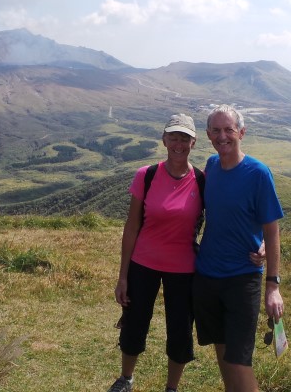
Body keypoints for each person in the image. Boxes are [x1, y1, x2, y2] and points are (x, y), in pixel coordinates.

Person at [107, 113, 203, 392]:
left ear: (193, 142)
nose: (178, 143)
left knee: (180, 331)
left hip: (184, 268)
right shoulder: (146, 175)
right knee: (134, 323)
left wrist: (256, 242)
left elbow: (225, 219)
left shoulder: (202, 180)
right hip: (143, 263)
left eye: (184, 138)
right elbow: (132, 226)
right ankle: (126, 378)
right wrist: (122, 277)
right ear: (164, 139)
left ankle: (171, 388)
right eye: (173, 136)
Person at [193, 104, 285, 392]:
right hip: (207, 274)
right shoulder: (211, 165)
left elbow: (272, 230)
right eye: (216, 130)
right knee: (222, 351)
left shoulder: (258, 173)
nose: (223, 136)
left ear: (241, 133)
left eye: (229, 130)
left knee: (239, 359)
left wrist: (273, 285)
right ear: (208, 135)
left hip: (242, 277)